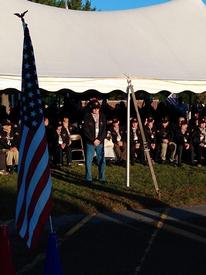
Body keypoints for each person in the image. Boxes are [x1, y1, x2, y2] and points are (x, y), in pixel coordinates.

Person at [82, 99, 107, 184]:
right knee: (89, 160)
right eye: (94, 108)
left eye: (97, 108)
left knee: (101, 160)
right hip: (90, 142)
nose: (96, 110)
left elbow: (104, 130)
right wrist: (93, 140)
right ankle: (88, 178)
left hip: (100, 142)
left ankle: (102, 178)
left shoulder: (103, 116)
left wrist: (99, 139)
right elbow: (85, 131)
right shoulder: (87, 116)